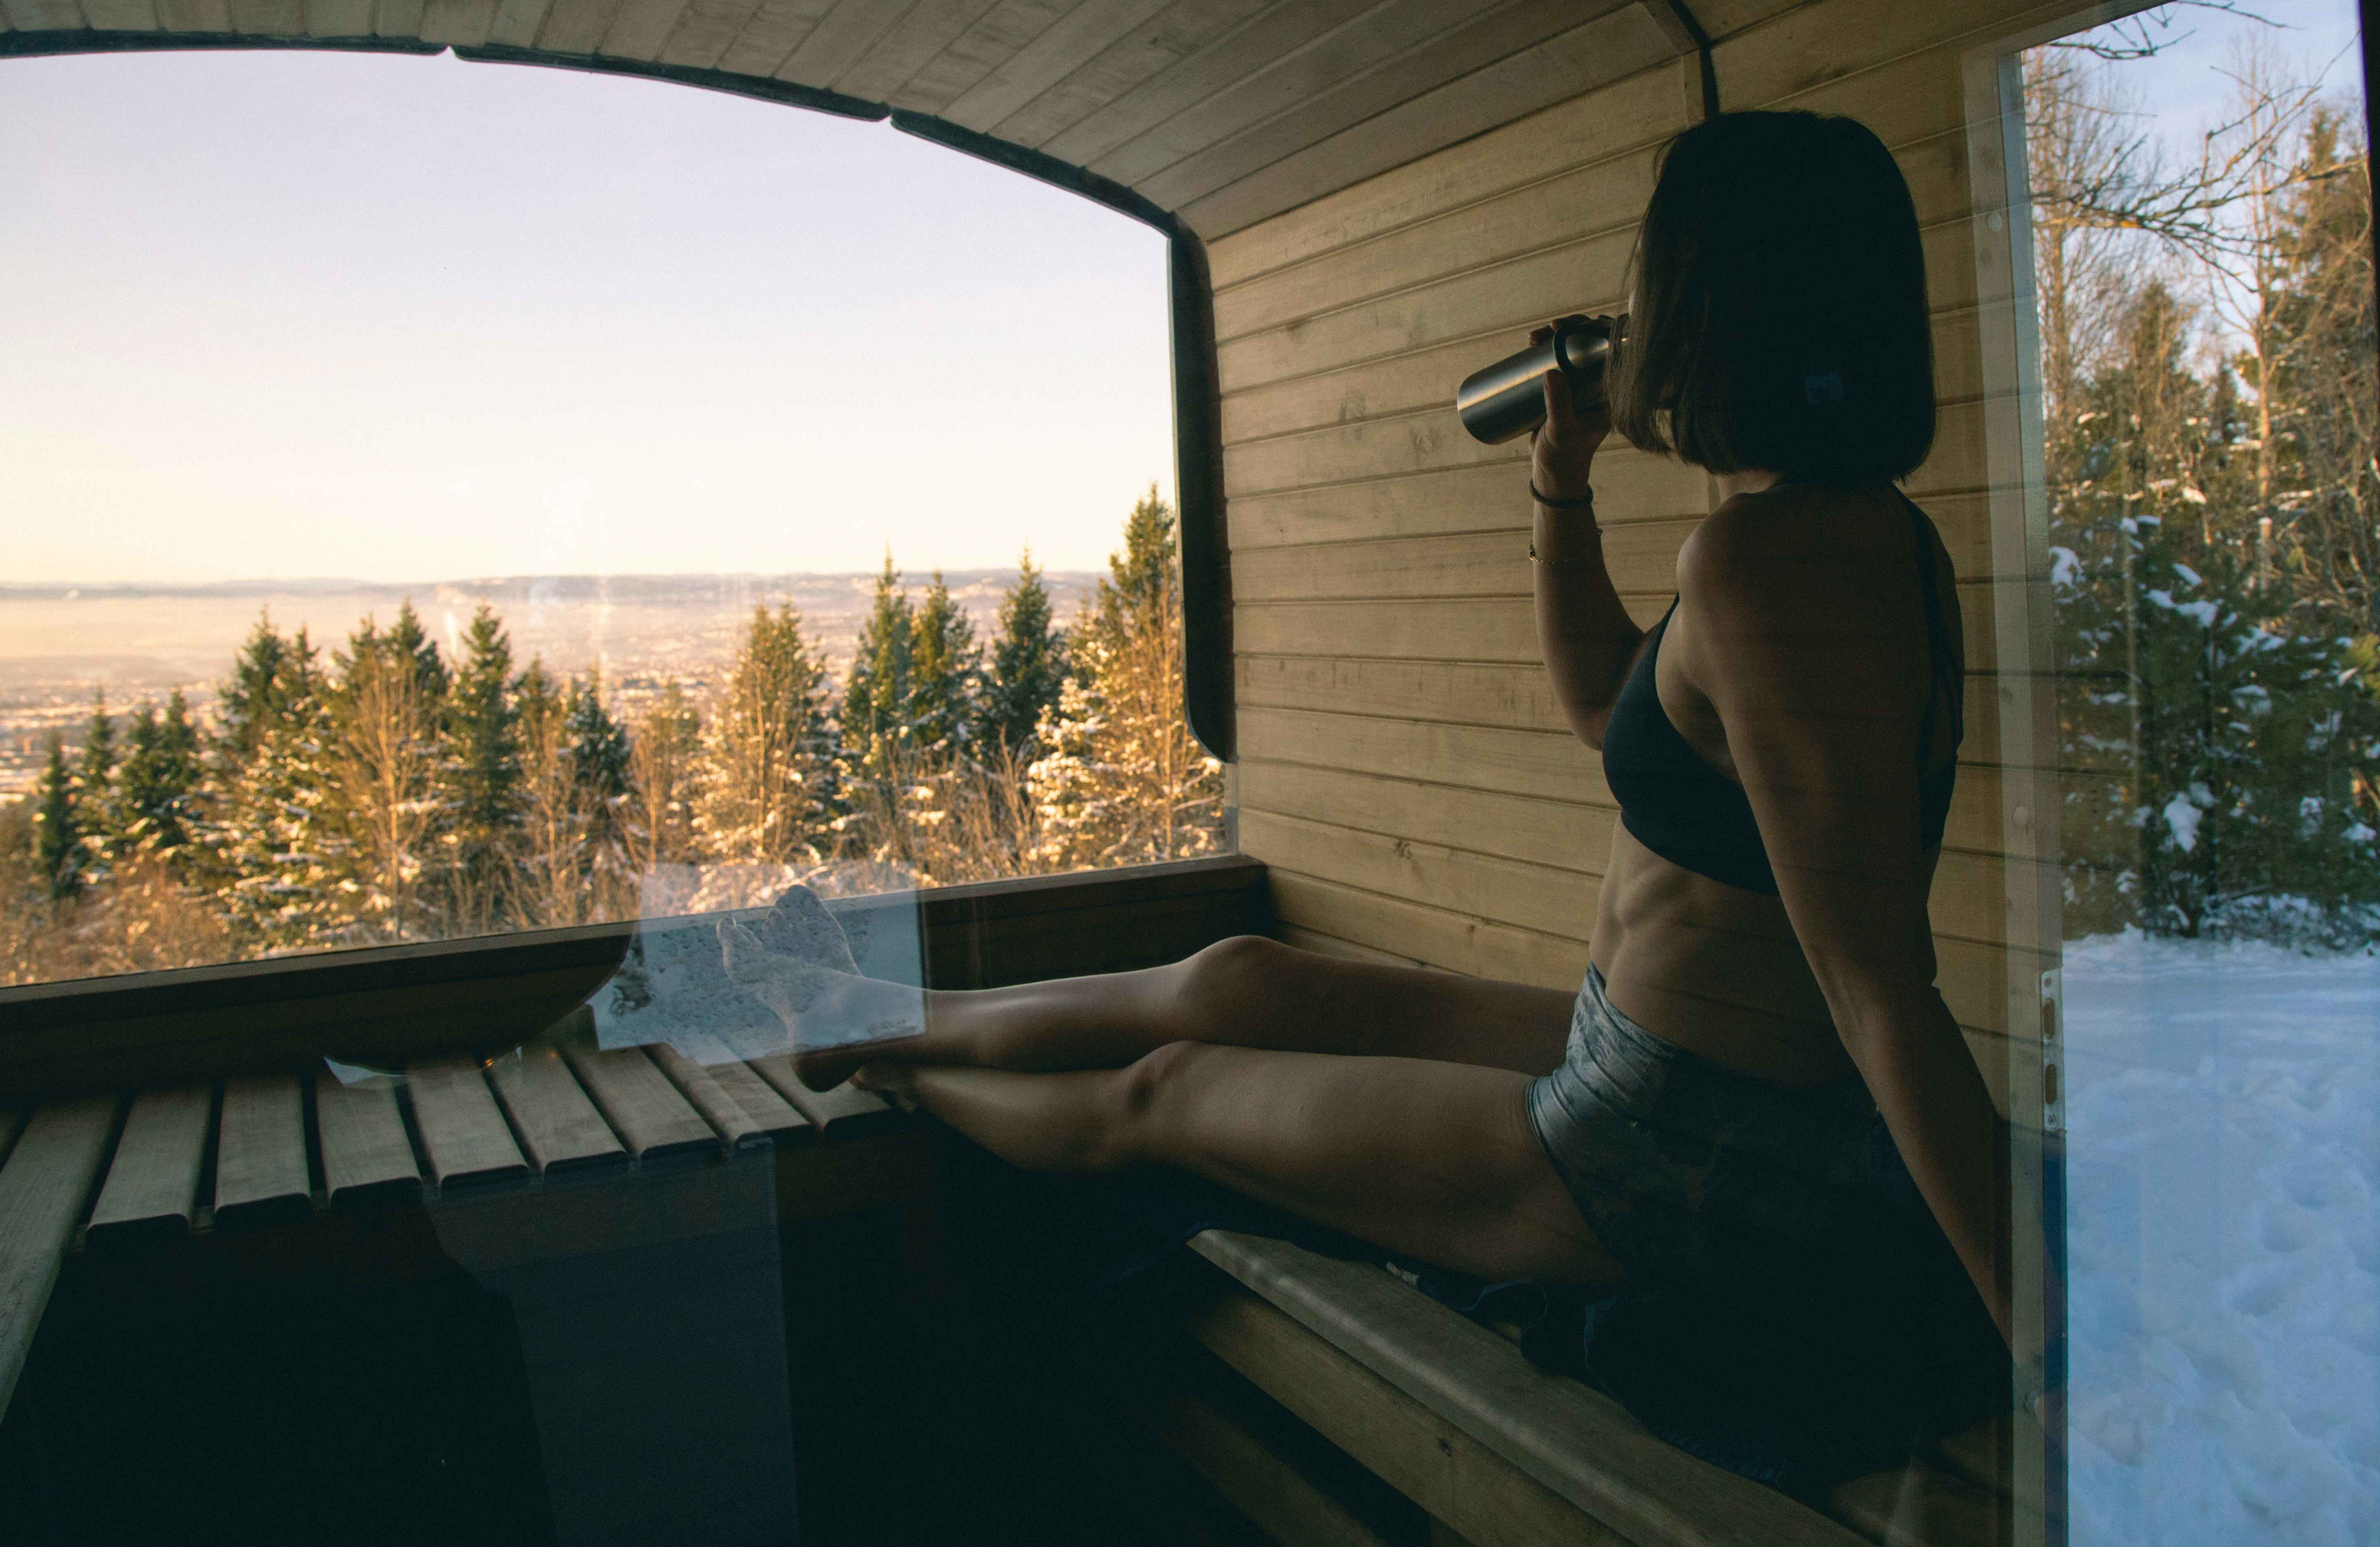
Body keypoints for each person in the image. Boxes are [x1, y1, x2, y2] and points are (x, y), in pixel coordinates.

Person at [797, 110, 2021, 1444]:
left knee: (1167, 1096)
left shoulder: (1770, 564)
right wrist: (1560, 480)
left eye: (1650, 275)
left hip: (1673, 1152)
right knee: (1243, 981)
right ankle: (898, 1018)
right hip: (1644, 1050)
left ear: (1713, 301)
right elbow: (1604, 707)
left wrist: (2051, 1342)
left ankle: (900, 1072)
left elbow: (1878, 982)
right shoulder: (1837, 537)